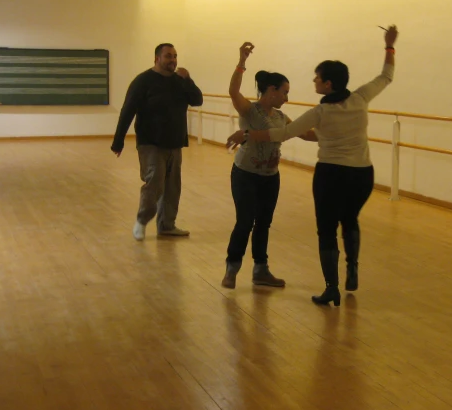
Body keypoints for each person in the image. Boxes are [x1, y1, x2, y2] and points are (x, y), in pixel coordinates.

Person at [226, 26, 398, 307]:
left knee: (325, 229)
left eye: (317, 77)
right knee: (349, 219)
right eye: (286, 91)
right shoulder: (361, 97)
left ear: (328, 84)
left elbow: (286, 133)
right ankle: (351, 265)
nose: (314, 80)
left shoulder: (318, 112)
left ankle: (331, 287)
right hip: (362, 173)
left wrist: (246, 135)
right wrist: (389, 46)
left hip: (330, 174)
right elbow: (386, 76)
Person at [222, 42, 318, 289]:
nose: (287, 97)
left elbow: (305, 133)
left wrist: (336, 132)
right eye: (285, 92)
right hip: (245, 175)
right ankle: (232, 268)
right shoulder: (251, 110)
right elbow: (233, 91)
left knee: (263, 223)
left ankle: (260, 270)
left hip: (270, 177)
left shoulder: (280, 117)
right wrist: (242, 61)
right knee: (245, 222)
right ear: (272, 90)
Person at [111, 43, 203, 240]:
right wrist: (118, 141)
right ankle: (142, 221)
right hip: (150, 142)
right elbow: (128, 111)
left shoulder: (180, 81)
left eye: (175, 56)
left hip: (175, 142)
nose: (172, 60)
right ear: (157, 59)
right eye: (168, 56)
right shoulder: (143, 81)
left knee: (172, 187)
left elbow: (197, 100)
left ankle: (167, 225)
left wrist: (188, 79)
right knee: (155, 183)